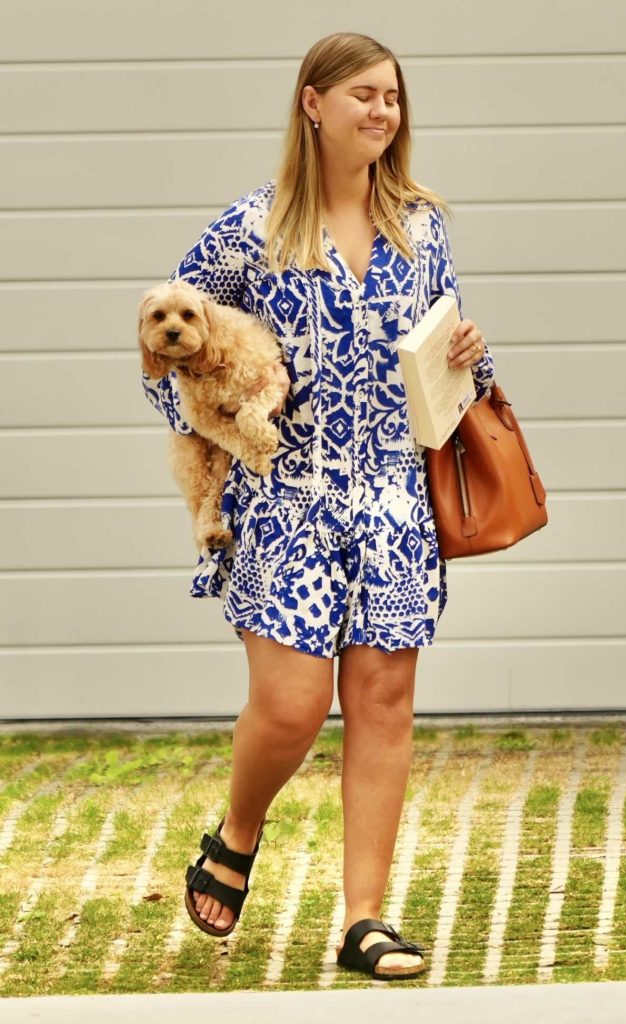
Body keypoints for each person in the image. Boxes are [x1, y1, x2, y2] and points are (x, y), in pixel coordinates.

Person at [142, 31, 494, 980]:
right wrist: (220, 428)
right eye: (364, 96)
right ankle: (238, 830)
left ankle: (365, 918)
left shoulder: (424, 225)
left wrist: (470, 355)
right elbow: (162, 347)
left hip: (391, 500)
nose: (383, 112)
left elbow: (448, 354)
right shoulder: (249, 229)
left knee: (383, 700)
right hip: (287, 500)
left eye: (392, 98)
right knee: (294, 704)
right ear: (312, 103)